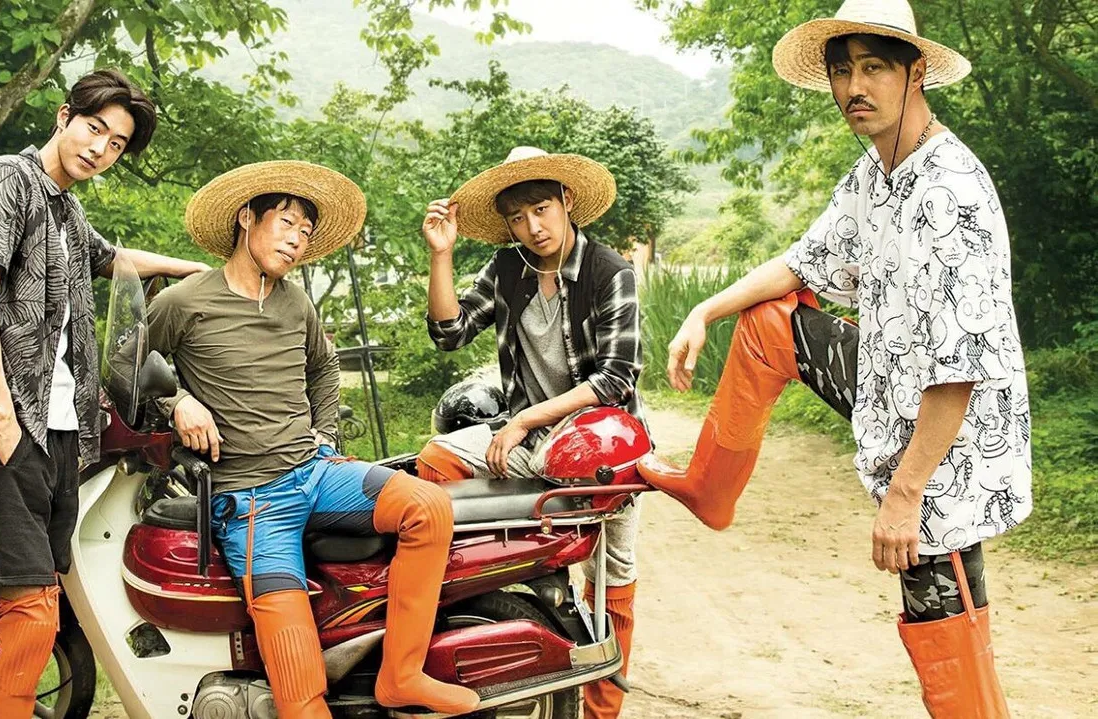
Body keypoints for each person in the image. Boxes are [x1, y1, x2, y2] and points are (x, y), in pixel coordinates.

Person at [656, 1, 1029, 715]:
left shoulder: (950, 190)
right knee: (769, 322)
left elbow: (961, 367)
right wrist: (705, 310)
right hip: (891, 383)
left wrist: (905, 494)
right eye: (842, 71)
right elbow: (803, 262)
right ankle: (710, 487)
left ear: (915, 73)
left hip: (949, 442)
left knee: (941, 614)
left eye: (874, 68)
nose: (855, 87)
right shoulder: (874, 175)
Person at [146, 160, 480, 719]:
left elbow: (324, 368)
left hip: (316, 473)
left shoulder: (295, 301)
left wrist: (324, 434)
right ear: (246, 218)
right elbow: (126, 368)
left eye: (305, 231)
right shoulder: (183, 302)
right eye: (286, 223)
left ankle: (401, 674)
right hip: (253, 506)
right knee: (301, 698)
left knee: (428, 505)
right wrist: (177, 401)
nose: (297, 240)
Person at [0, 68, 210, 717]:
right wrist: (3, 418)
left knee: (37, 599)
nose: (100, 148)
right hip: (1, 425)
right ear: (64, 117)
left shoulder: (66, 208)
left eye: (116, 143)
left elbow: (111, 259)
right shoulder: (6, 180)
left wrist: (194, 271)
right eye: (94, 128)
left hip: (60, 432)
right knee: (29, 605)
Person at [417, 147, 643, 719]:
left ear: (566, 201)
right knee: (435, 460)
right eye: (517, 218)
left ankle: (601, 711)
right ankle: (465, 604)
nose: (532, 227)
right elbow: (449, 332)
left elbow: (615, 378)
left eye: (541, 210)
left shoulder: (609, 272)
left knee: (612, 573)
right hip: (528, 439)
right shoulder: (506, 268)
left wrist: (523, 421)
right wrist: (441, 255)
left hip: (599, 443)